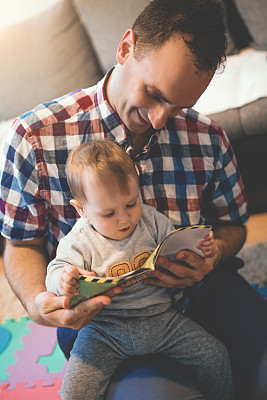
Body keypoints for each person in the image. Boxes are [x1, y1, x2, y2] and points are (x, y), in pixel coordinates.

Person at [0, 0, 266, 399]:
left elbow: (233, 226)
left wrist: (212, 256)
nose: (161, 120)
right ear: (126, 48)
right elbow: (21, 244)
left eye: (179, 106)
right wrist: (42, 303)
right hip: (104, 321)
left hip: (202, 291)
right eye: (154, 94)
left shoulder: (208, 137)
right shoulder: (36, 137)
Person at [45, 139, 232, 400]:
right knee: (74, 391)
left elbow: (176, 248)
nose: (124, 218)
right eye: (109, 213)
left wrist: (200, 249)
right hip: (103, 331)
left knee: (215, 355)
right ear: (81, 209)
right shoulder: (79, 241)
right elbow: (55, 270)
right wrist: (62, 280)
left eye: (131, 203)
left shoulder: (151, 220)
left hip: (163, 320)